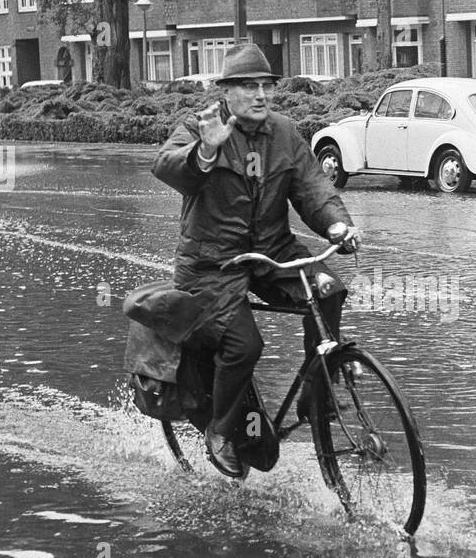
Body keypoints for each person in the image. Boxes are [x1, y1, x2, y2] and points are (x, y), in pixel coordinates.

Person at [151, 42, 360, 478]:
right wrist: (206, 152)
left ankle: (314, 391)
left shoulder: (283, 132)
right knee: (244, 343)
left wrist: (337, 226)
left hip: (272, 252)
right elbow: (168, 166)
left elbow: (313, 188)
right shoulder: (199, 127)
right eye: (249, 86)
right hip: (213, 264)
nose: (261, 94)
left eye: (266, 85)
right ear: (225, 91)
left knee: (329, 291)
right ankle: (221, 432)